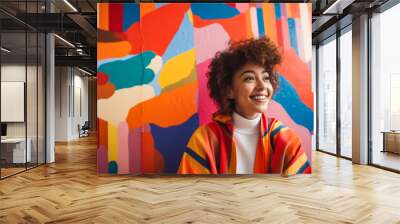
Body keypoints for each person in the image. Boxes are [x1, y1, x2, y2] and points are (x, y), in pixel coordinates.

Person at [178, 37, 311, 175]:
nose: (262, 86)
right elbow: (192, 192)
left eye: (266, 78)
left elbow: (300, 191)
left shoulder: (287, 139)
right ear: (229, 90)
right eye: (249, 78)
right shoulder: (205, 139)